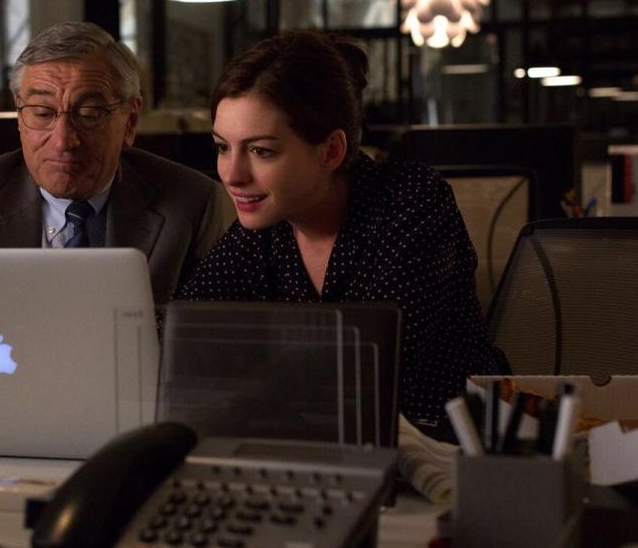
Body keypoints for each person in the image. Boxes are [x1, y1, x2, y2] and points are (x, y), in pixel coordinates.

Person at [174, 30, 510, 433]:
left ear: (331, 151)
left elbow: (367, 361)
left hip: (444, 445)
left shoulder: (412, 200)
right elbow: (180, 336)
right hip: (318, 443)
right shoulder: (264, 227)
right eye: (222, 147)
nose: (231, 174)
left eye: (261, 150)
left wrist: (243, 368)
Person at [0, 21, 234, 304]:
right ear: (19, 117)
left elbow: (205, 341)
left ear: (130, 122)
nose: (63, 141)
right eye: (42, 113)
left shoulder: (192, 203)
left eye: (89, 114)